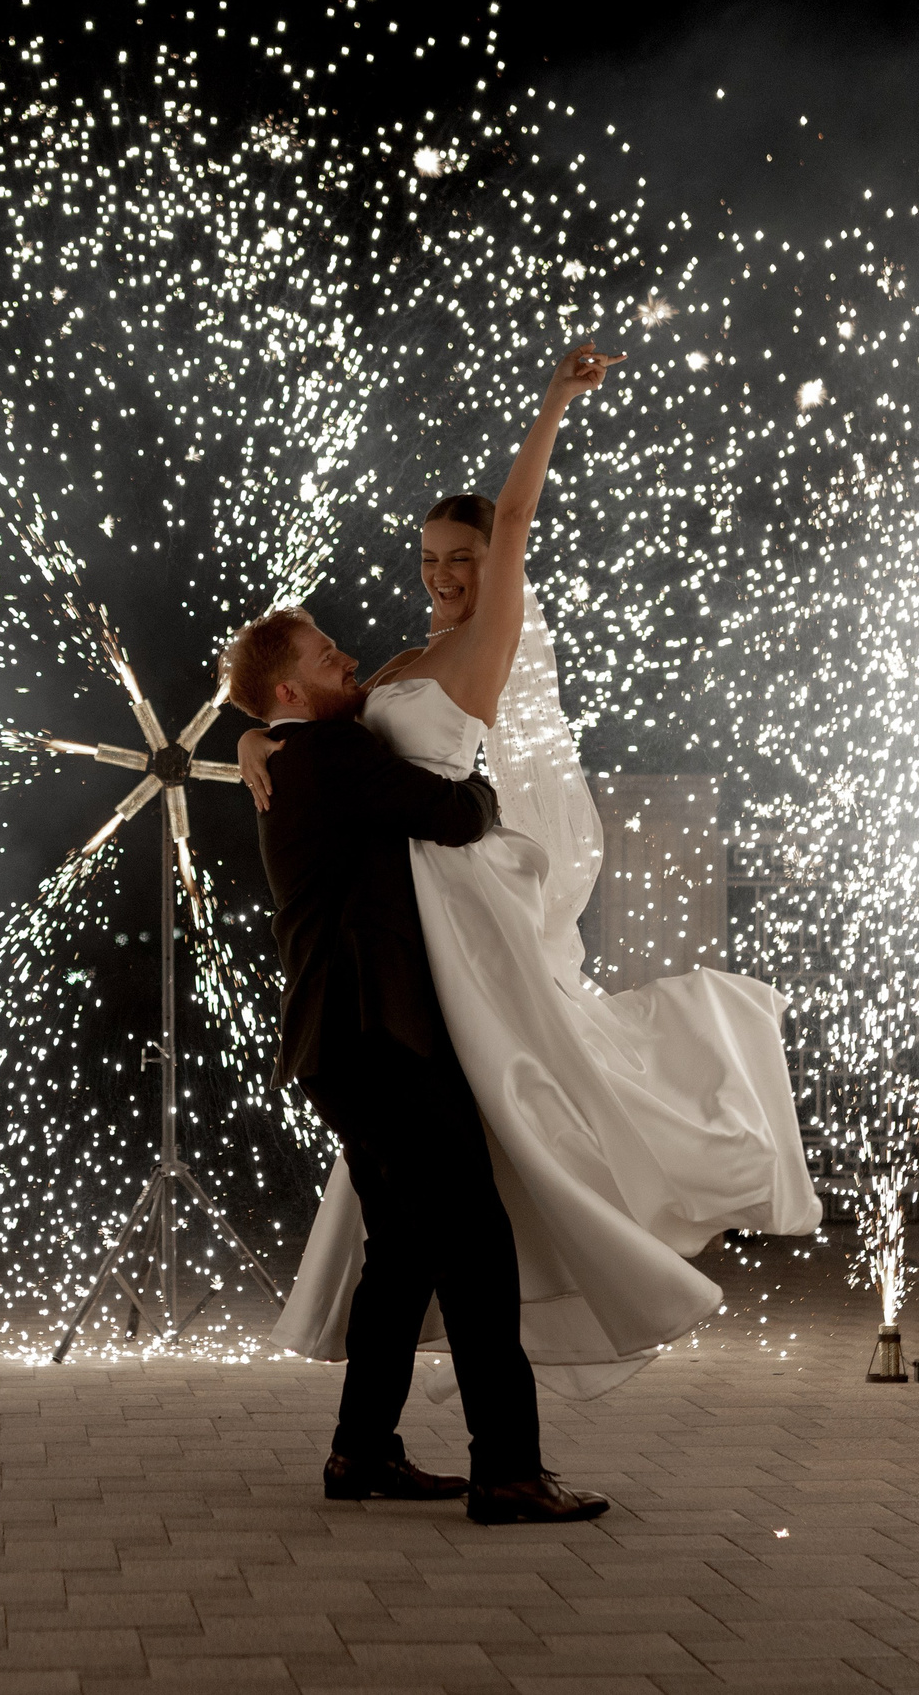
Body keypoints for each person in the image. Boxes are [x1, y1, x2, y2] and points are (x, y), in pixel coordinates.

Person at [239, 339, 820, 1406]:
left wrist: (552, 403)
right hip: (404, 913)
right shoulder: (398, 665)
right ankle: (405, 1440)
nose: (445, 574)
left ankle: (472, 1423)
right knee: (445, 1181)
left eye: (460, 556)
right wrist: (253, 741)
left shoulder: (482, 645)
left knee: (505, 1103)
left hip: (456, 895)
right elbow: (318, 734)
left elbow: (513, 526)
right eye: (427, 557)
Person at [218, 603, 613, 1525]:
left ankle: (361, 1451)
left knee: (401, 1248)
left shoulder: (295, 752)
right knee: (474, 1241)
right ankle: (508, 1470)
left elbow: (332, 740)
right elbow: (449, 813)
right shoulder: (329, 757)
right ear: (288, 690)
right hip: (378, 1037)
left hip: (339, 1043)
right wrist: (484, 791)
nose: (346, 656)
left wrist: (249, 735)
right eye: (326, 655)